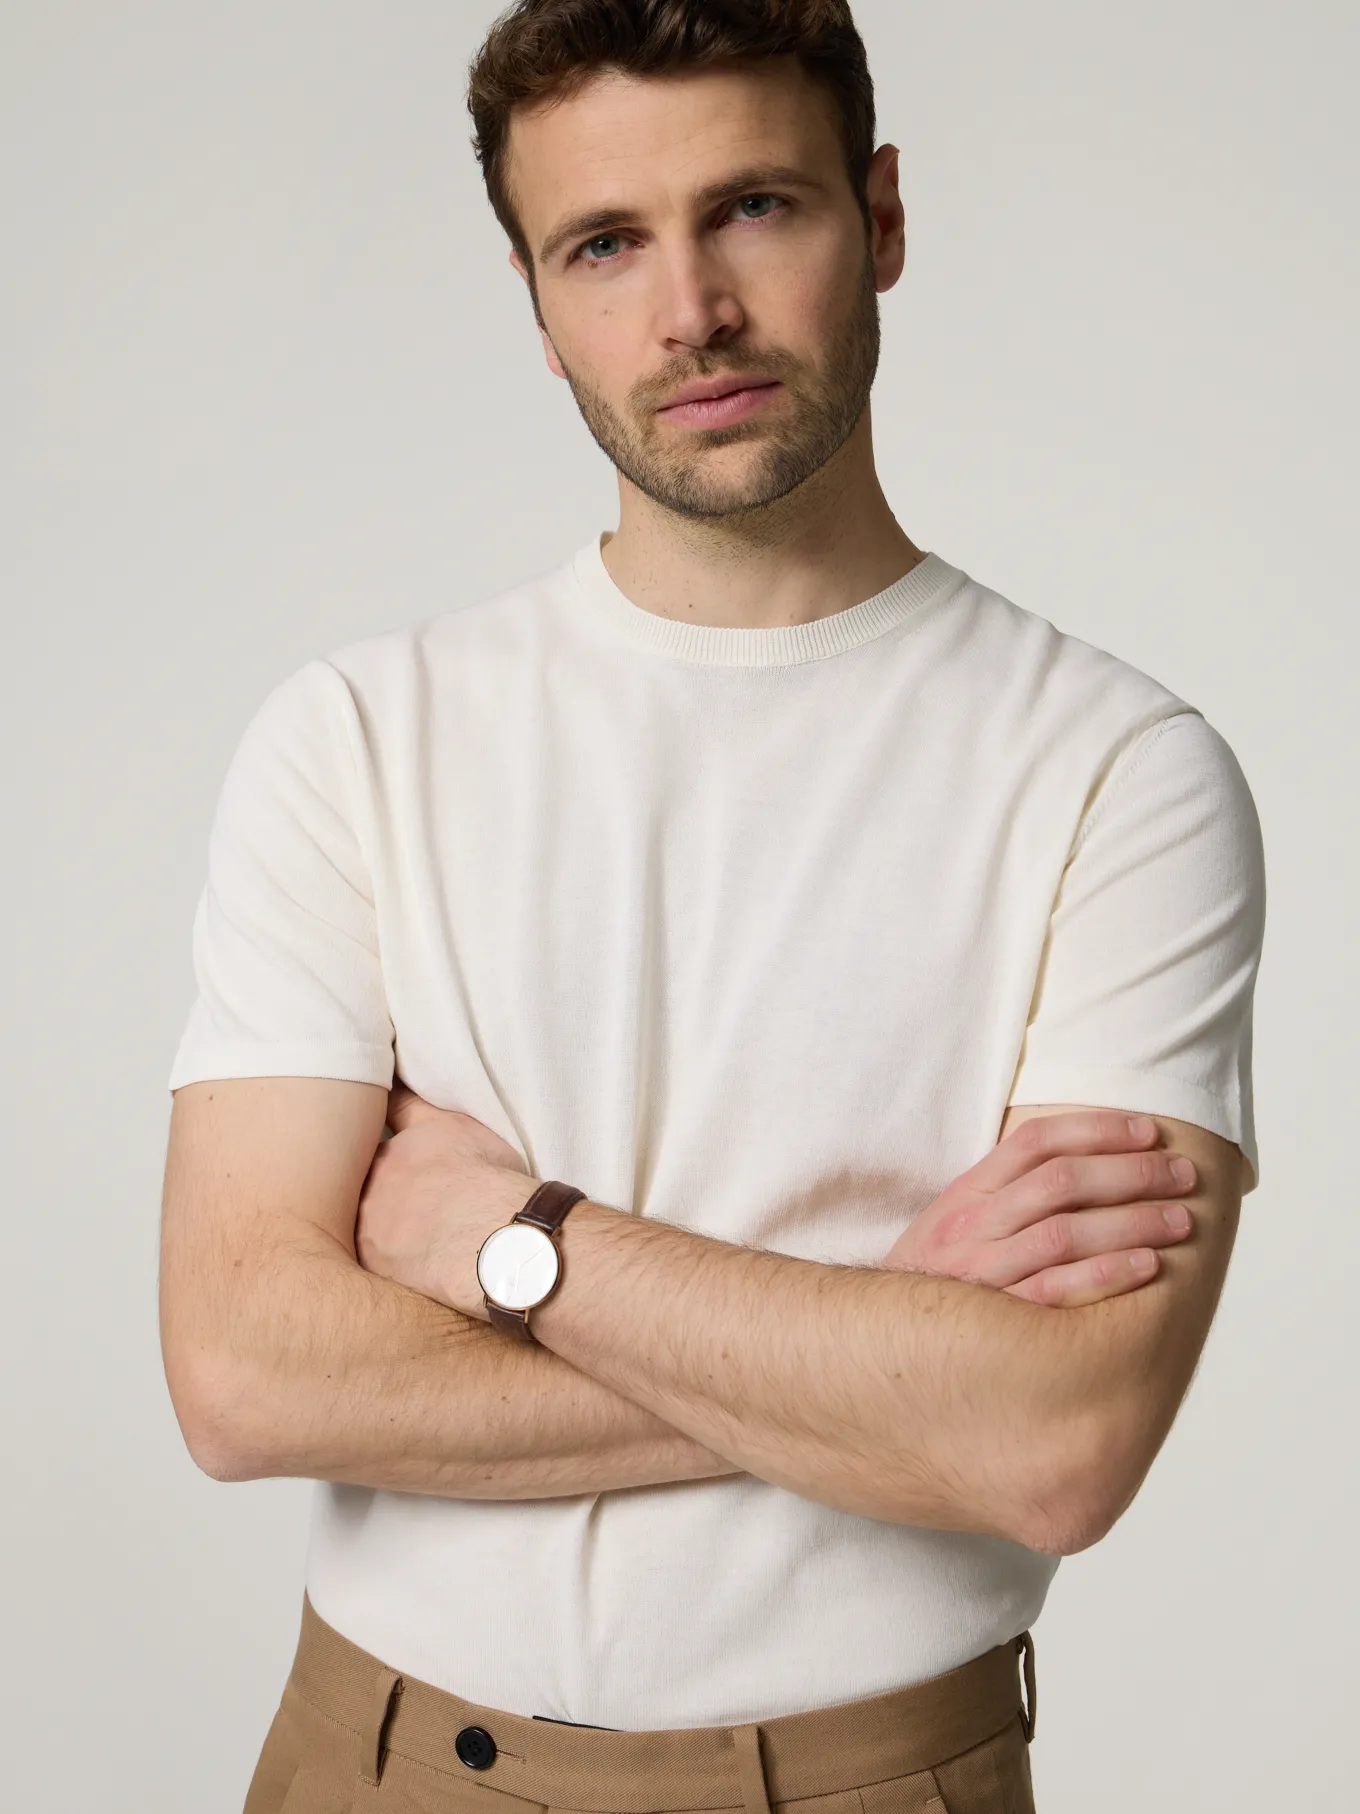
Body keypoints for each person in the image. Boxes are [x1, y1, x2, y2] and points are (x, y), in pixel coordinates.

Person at [159, 4, 1265, 1810]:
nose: (691, 313)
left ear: (880, 218)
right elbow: (243, 1377)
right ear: (537, 306)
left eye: (754, 207)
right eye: (605, 243)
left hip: (870, 1780)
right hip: (379, 1760)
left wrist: (509, 1241)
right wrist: (879, 1338)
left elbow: (1058, 1441)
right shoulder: (355, 737)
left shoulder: (1121, 774)